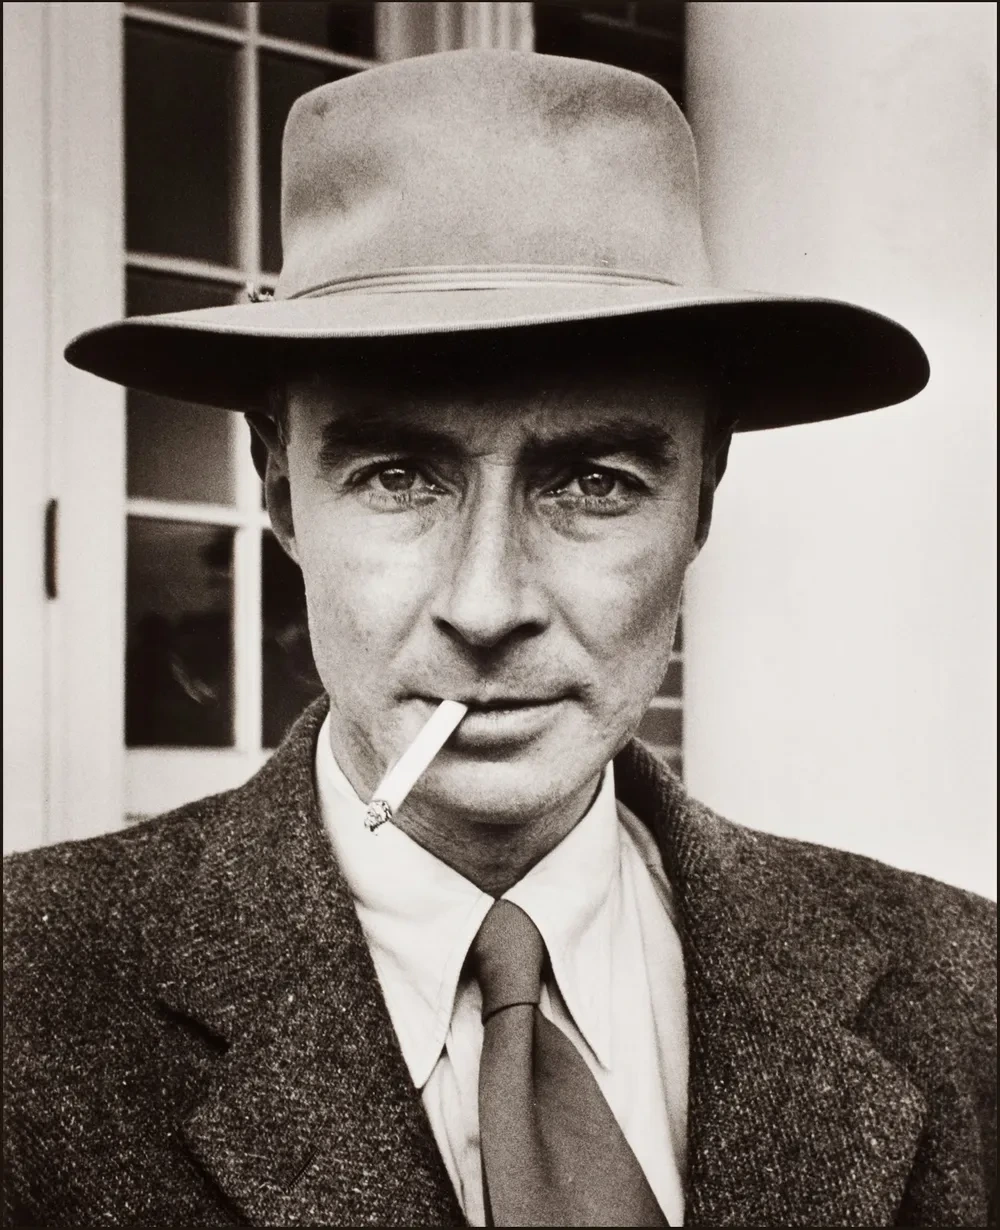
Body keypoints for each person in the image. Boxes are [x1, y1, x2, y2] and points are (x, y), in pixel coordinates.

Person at [3, 49, 995, 1228]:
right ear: (279, 493)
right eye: (396, 477)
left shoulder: (964, 993)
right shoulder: (28, 1003)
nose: (485, 606)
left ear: (703, 498)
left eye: (594, 482)